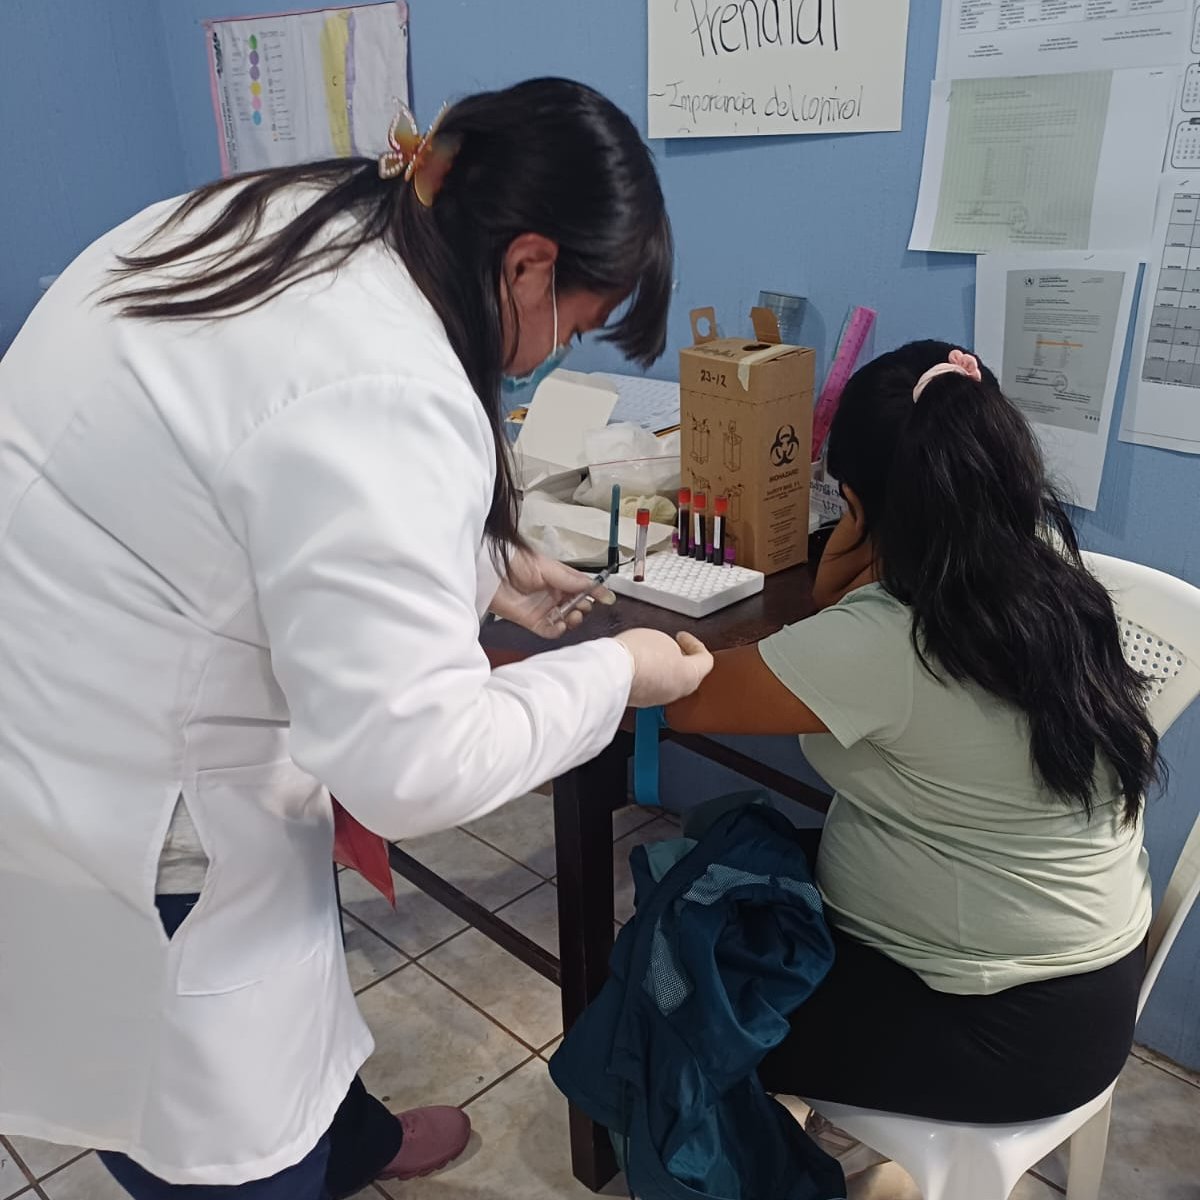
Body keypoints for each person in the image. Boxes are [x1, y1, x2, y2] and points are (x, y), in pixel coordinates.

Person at [0, 77, 712, 1199]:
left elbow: (260, 483)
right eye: (575, 326)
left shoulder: (308, 218)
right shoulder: (391, 384)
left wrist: (478, 561)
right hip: (126, 788)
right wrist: (618, 671)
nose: (553, 353)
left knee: (287, 996)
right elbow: (414, 765)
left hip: (70, 663)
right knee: (214, 1118)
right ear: (529, 264)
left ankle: (349, 1142)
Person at [665, 341, 1158, 1174]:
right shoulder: (1049, 569)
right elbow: (845, 623)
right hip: (1090, 986)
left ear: (857, 506)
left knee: (698, 982)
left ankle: (752, 1171)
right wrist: (849, 570)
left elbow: (687, 699)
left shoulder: (890, 639)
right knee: (737, 867)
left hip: (1005, 1032)